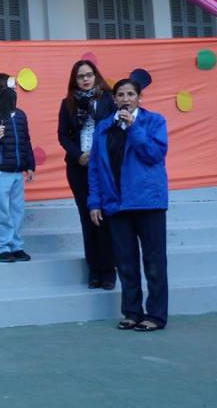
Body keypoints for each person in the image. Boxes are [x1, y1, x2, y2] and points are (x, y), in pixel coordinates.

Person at [88, 79, 169, 332]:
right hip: (116, 204)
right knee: (125, 262)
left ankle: (155, 315)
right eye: (121, 94)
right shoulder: (104, 127)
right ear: (114, 99)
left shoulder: (154, 121)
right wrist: (95, 201)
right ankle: (132, 312)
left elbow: (154, 155)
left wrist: (134, 127)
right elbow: (95, 167)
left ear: (139, 97)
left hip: (148, 202)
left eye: (131, 94)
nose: (126, 99)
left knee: (154, 262)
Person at [58, 59, 117, 289]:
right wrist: (78, 155)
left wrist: (100, 154)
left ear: (96, 75)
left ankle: (109, 271)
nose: (85, 79)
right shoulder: (68, 103)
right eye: (80, 76)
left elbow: (115, 131)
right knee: (87, 218)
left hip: (104, 166)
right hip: (79, 167)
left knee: (105, 217)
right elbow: (63, 135)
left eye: (89, 75)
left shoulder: (108, 99)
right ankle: (94, 271)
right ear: (75, 80)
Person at [0, 73, 35, 263]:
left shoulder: (20, 115)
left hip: (18, 171)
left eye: (15, 88)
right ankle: (1, 247)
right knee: (1, 211)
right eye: (11, 88)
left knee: (17, 210)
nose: (14, 91)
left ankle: (15, 245)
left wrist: (30, 164)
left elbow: (26, 141)